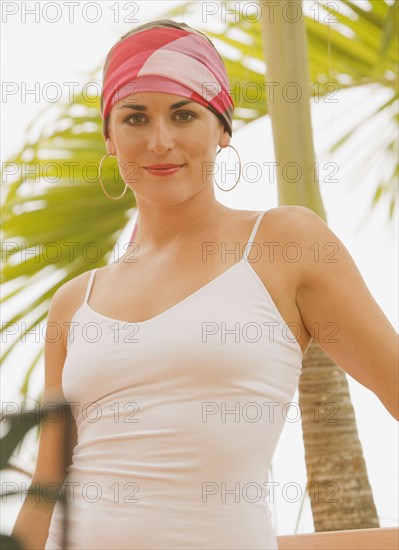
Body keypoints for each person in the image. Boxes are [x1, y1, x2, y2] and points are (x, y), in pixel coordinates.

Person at [12, 18, 398, 550]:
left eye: (184, 113)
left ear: (222, 129)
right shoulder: (75, 302)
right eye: (135, 117)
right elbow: (46, 488)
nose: (159, 140)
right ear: (109, 136)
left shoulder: (284, 243)